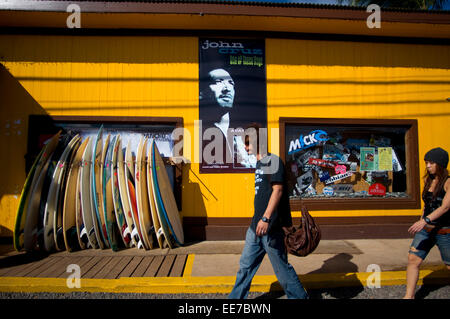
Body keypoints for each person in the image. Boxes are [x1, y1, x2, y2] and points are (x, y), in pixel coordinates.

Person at [228, 124, 309, 299]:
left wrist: (265, 218)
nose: (246, 147)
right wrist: (259, 220)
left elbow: (278, 190)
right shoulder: (260, 163)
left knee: (282, 270)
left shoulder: (273, 160)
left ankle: (299, 297)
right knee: (245, 267)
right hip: (255, 228)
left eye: (248, 143)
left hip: (271, 228)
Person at [404, 147, 450, 299]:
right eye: (426, 163)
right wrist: (421, 218)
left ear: (440, 164)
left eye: (431, 163)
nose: (427, 166)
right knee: (413, 259)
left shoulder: (448, 182)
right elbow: (427, 204)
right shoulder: (427, 180)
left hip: (445, 230)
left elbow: (445, 207)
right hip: (426, 229)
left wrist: (425, 220)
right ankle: (408, 296)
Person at [199, 68, 256, 170]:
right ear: (201, 93)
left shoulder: (245, 131)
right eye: (218, 82)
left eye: (231, 83)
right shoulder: (201, 132)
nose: (227, 88)